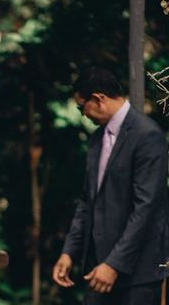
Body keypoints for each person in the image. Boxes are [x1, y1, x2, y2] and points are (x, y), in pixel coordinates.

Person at [52, 67, 169, 304]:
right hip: (97, 270)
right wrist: (68, 252)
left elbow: (146, 208)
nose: (83, 115)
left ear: (98, 99)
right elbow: (87, 202)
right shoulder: (96, 140)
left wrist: (114, 264)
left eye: (81, 106)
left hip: (137, 274)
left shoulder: (148, 135)